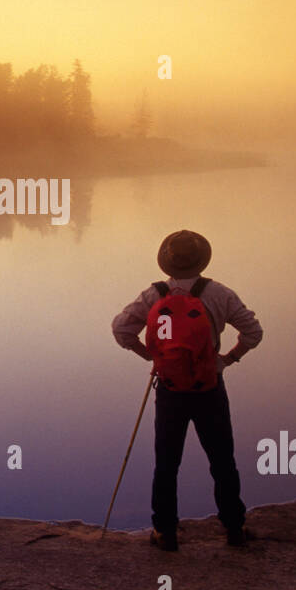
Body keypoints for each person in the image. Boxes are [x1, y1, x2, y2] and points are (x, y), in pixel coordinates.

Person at [111, 229, 263, 551]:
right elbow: (253, 332)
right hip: (209, 387)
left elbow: (121, 329)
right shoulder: (219, 293)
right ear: (201, 261)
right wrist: (227, 360)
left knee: (167, 463)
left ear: (167, 262)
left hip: (170, 390)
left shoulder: (154, 295)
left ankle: (165, 533)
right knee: (222, 460)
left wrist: (154, 358)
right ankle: (234, 528)